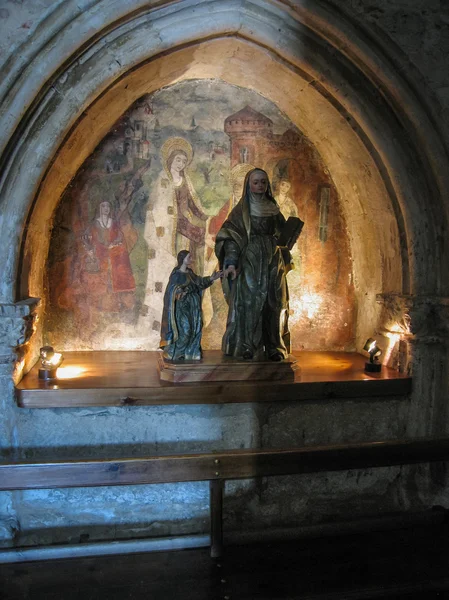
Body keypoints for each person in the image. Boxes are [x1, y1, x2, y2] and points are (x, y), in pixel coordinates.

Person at [215, 168, 292, 361]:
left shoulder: (273, 208)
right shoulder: (242, 211)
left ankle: (274, 347)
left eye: (263, 182)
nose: (260, 186)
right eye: (256, 182)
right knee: (250, 302)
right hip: (250, 259)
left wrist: (290, 235)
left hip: (273, 259)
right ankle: (248, 345)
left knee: (274, 302)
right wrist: (231, 262)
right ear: (248, 185)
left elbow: (283, 234)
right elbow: (231, 237)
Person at [160, 250, 222, 361]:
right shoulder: (176, 274)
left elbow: (199, 282)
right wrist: (179, 293)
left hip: (193, 308)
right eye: (189, 257)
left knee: (194, 330)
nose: (191, 259)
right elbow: (171, 290)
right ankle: (176, 352)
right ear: (182, 259)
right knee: (186, 331)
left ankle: (187, 352)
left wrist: (212, 278)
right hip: (181, 308)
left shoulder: (190, 273)